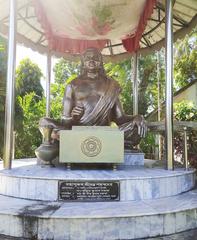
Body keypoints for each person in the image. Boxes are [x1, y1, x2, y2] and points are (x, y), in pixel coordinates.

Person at [39, 47, 146, 152]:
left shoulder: (111, 85)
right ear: (83, 61)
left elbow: (119, 118)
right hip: (78, 131)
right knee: (44, 122)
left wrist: (137, 118)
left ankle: (74, 143)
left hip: (104, 132)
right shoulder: (72, 85)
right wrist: (73, 118)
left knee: (137, 127)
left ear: (100, 61)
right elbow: (65, 122)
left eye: (95, 57)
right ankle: (111, 144)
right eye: (88, 57)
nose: (91, 60)